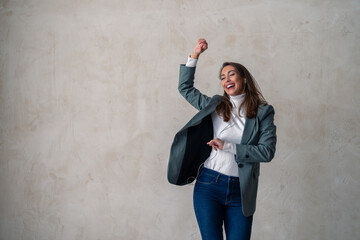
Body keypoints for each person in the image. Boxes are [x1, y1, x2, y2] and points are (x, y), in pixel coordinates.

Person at [167, 39, 277, 240]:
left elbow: (267, 151)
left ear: (243, 78)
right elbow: (185, 88)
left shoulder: (263, 112)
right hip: (209, 185)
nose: (226, 78)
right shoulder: (215, 106)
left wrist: (229, 146)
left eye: (231, 73)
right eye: (222, 76)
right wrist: (194, 55)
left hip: (241, 192)